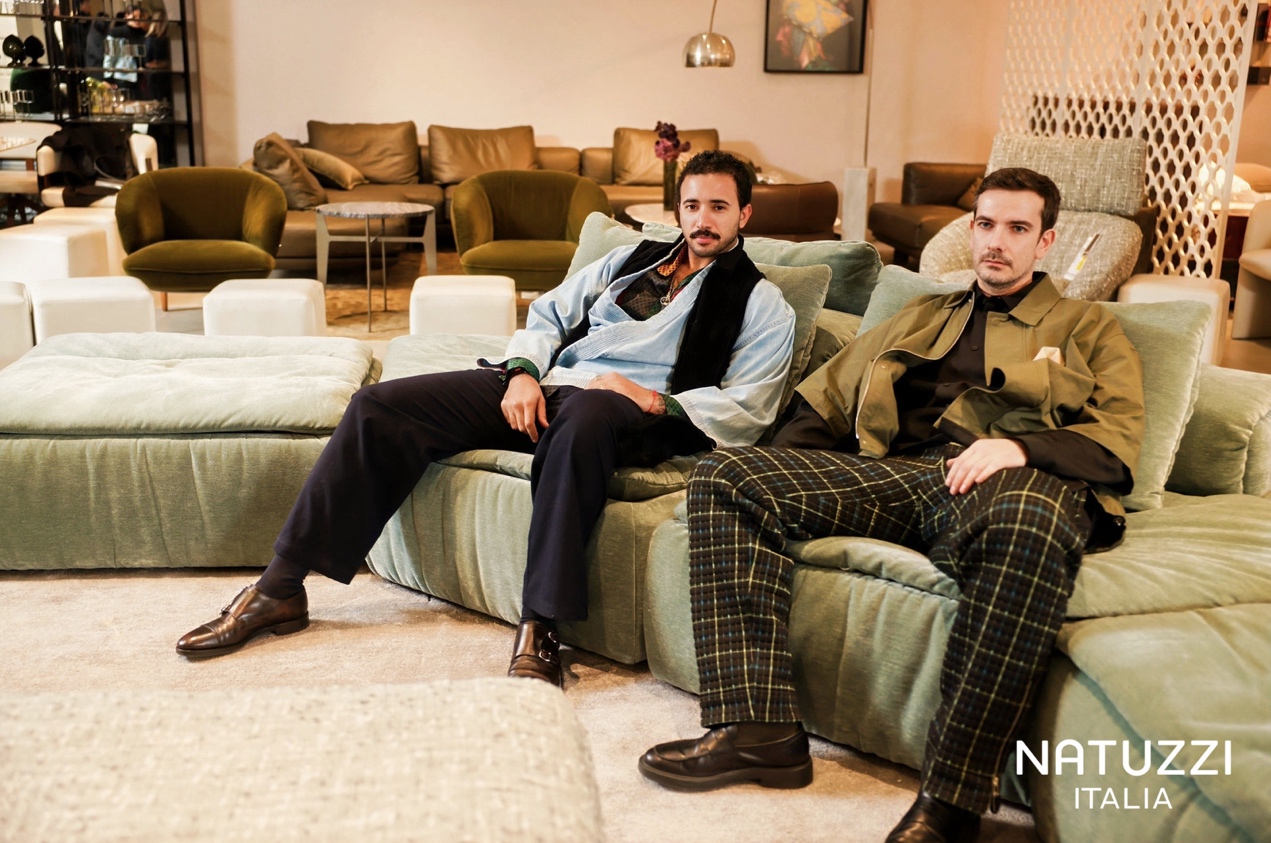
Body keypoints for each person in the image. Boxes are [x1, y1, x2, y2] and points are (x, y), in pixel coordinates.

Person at [638, 167, 1145, 843]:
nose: (996, 242)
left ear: (1044, 241)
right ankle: (756, 729)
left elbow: (1116, 443)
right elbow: (823, 403)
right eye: (986, 224)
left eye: (1017, 228)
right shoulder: (925, 314)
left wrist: (1020, 448)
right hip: (899, 479)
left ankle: (952, 800)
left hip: (1010, 485)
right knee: (727, 474)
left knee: (1030, 523)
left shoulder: (1088, 326)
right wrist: (790, 475)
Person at [176, 150, 798, 690]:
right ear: (679, 209)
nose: (702, 219)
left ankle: (542, 623)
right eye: (692, 206)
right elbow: (550, 314)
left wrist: (650, 398)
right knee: (379, 406)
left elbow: (753, 403)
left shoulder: (761, 302)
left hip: (628, 412)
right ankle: (280, 589)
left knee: (585, 418)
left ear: (744, 214)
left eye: (718, 207)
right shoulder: (632, 260)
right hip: (551, 388)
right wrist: (523, 371)